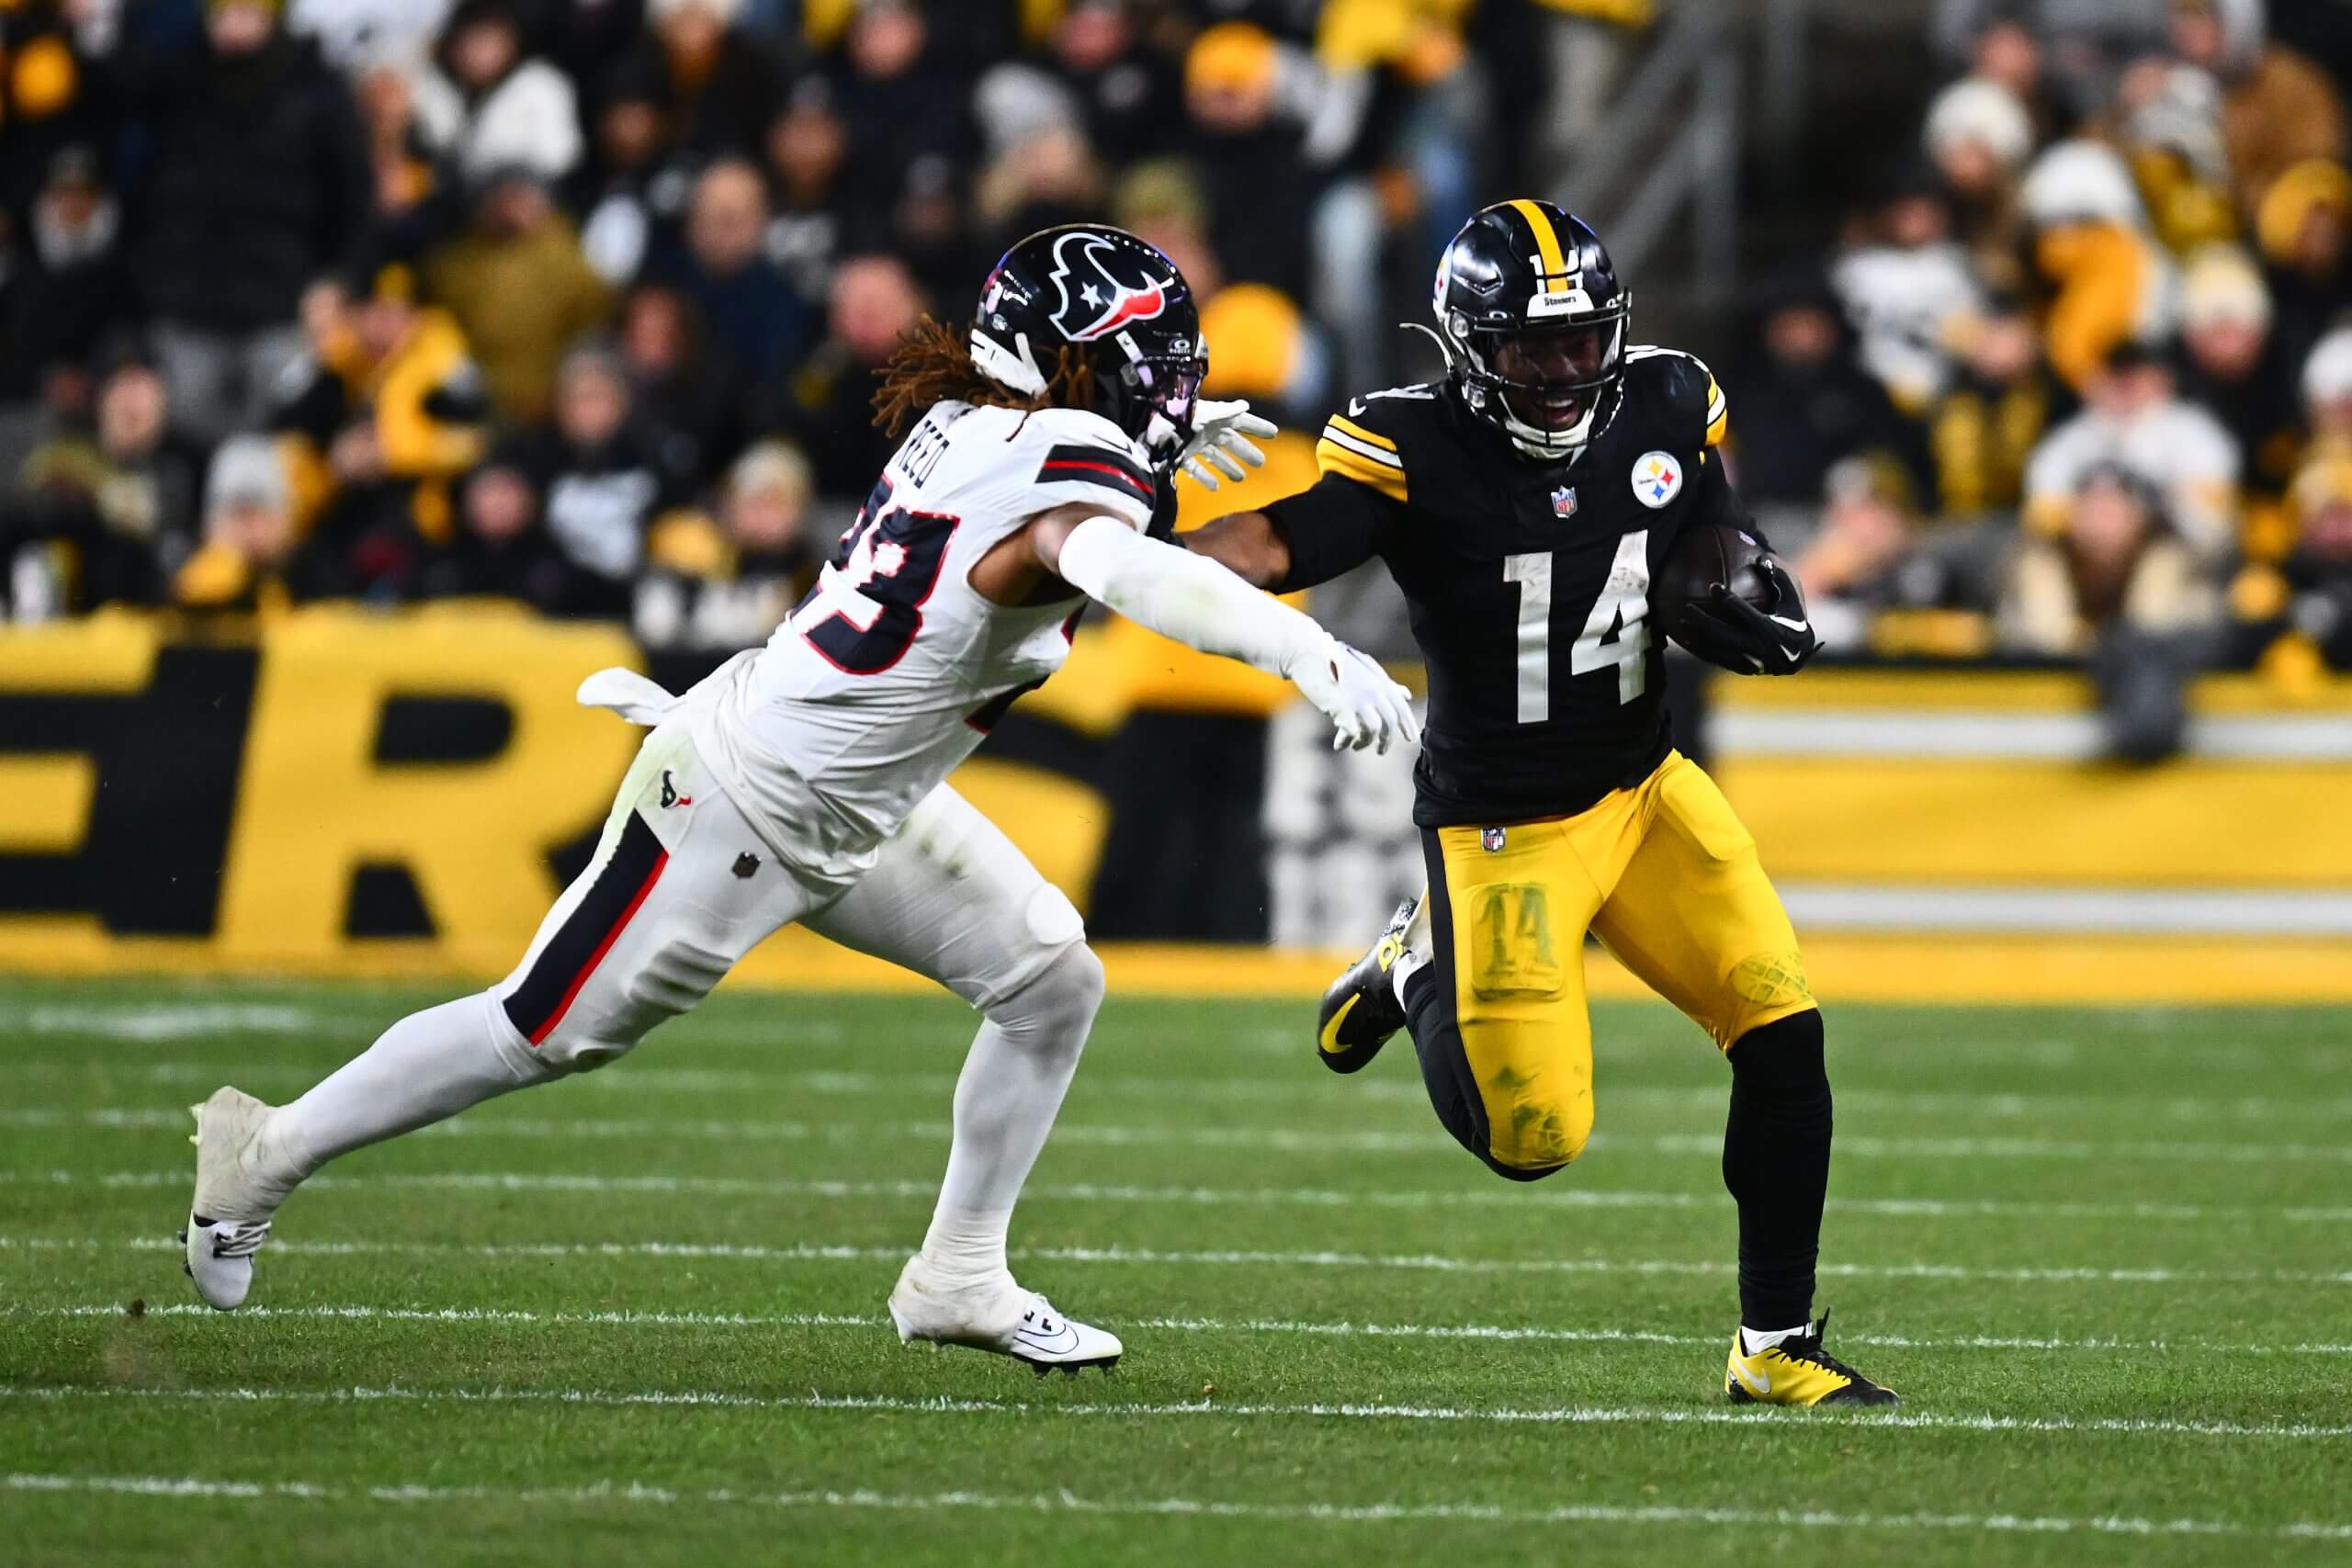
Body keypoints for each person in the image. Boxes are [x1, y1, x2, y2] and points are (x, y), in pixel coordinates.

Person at [178, 225, 1418, 1377]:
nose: (1169, 388)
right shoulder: (1061, 472)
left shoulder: (975, 422)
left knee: (1049, 982)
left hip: (856, 799)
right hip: (743, 800)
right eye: (1142, 364)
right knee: (540, 1030)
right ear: (1063, 365)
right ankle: (263, 1152)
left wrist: (1150, 465)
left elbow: (1061, 521)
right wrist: (1304, 650)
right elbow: (1111, 565)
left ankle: (959, 1274)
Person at [1182, 200, 1898, 1407]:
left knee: (1783, 1033)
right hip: (1502, 825)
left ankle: (1772, 1345)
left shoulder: (1670, 401)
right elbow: (1282, 543)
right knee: (1534, 1141)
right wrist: (1130, 544)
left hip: (1645, 791)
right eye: (1531, 348)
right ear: (1469, 348)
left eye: (1582, 342)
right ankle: (1414, 970)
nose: (1564, 374)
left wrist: (1742, 583)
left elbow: (1710, 529)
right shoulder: (1411, 441)